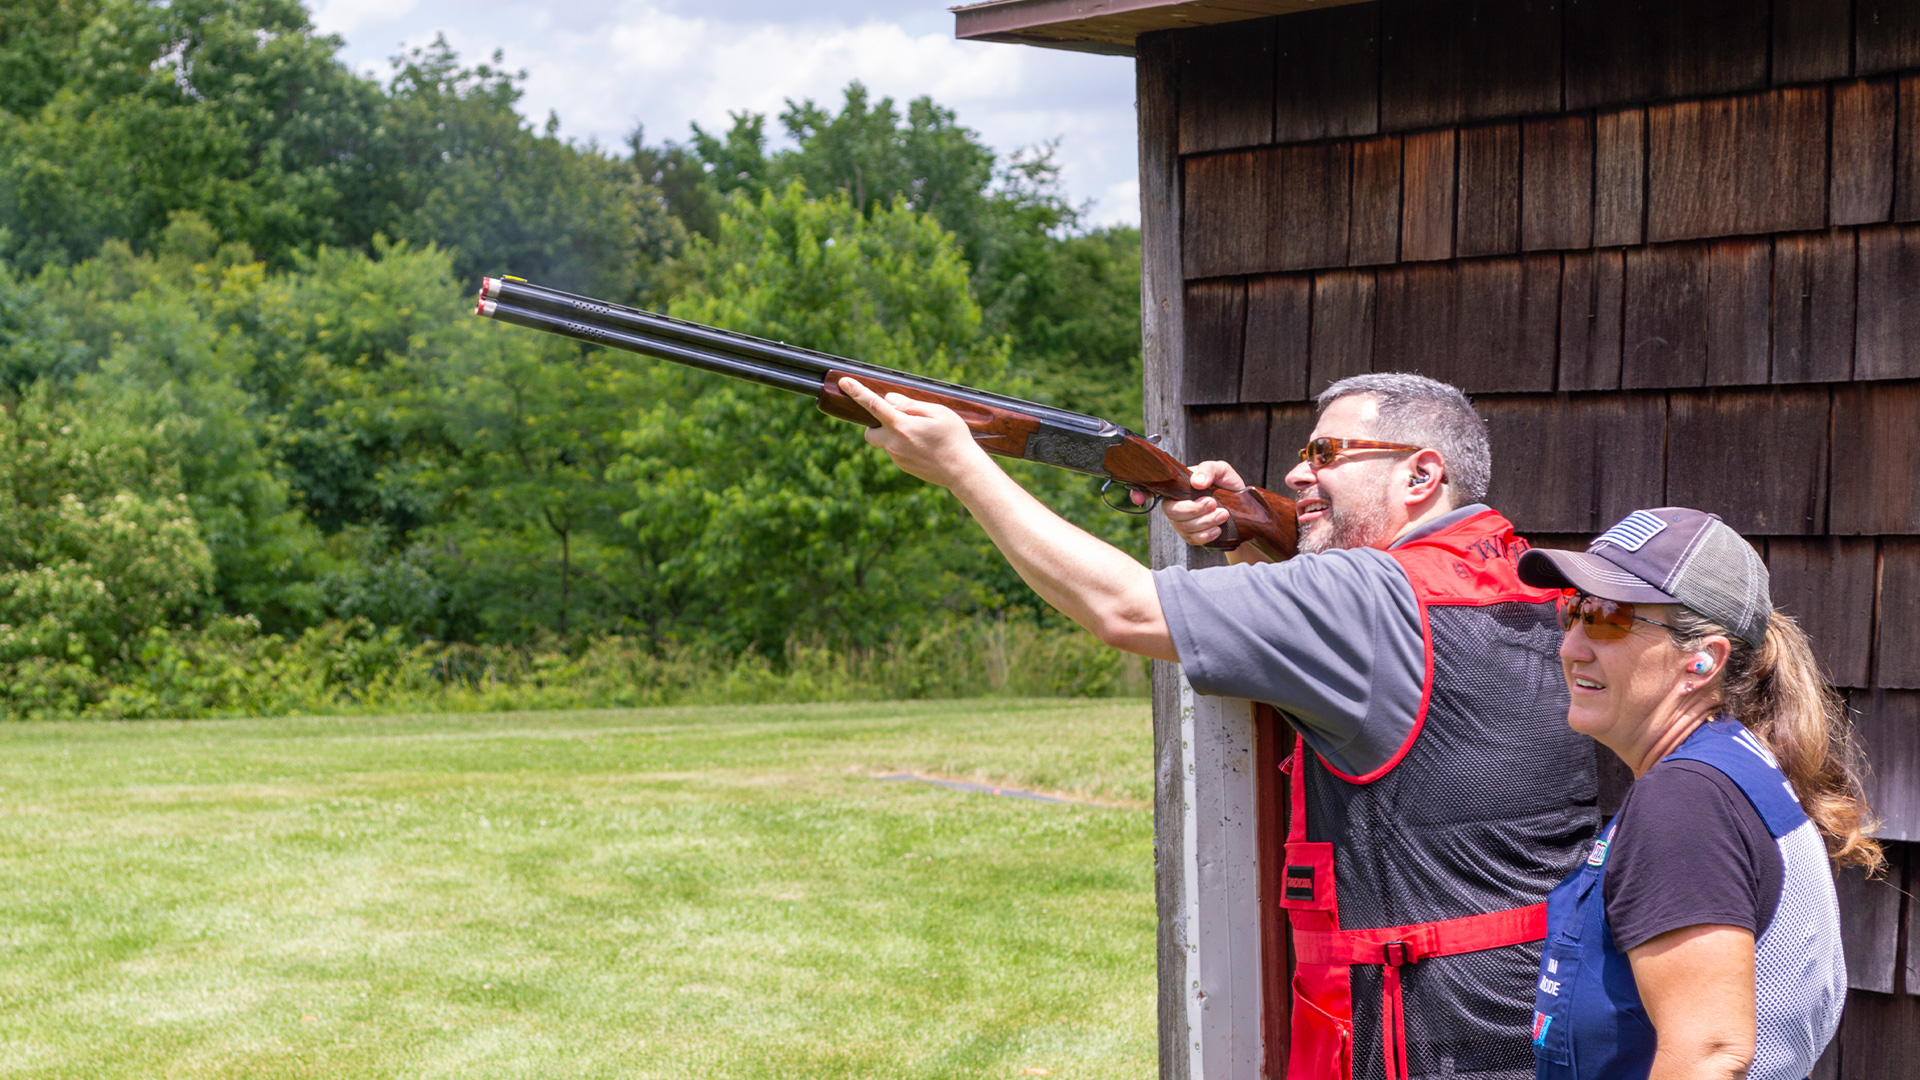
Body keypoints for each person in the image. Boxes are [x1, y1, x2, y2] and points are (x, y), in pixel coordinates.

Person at [836, 370, 1598, 1080]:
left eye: (1327, 453)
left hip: (1421, 1033)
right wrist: (1248, 526)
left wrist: (964, 467)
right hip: (1538, 1004)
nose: (1301, 474)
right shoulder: (1525, 571)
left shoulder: (1367, 591)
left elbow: (1125, 608)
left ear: (1421, 475)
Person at [1515, 508, 1878, 1080]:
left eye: (1609, 617)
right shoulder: (1731, 766)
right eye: (1573, 611)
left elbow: (1708, 1054)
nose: (1572, 648)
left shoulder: (1685, 801)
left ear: (1702, 659)